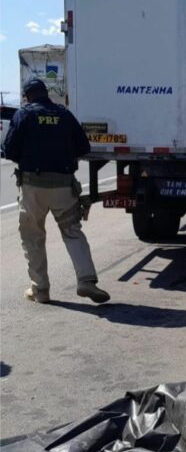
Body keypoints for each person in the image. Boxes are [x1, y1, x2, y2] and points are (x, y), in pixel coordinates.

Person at [2, 78, 110, 304]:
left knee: (32, 237)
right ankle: (86, 280)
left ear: (26, 96)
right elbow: (84, 147)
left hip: (33, 187)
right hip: (63, 185)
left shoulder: (23, 115)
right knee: (72, 231)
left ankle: (40, 290)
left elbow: (9, 150)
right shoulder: (64, 115)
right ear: (46, 94)